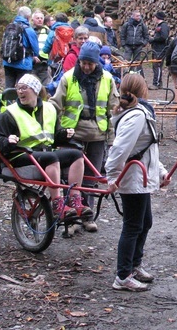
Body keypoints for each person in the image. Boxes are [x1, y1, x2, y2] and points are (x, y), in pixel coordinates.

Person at [0, 74, 93, 220]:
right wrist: (8, 140)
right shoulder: (10, 113)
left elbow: (54, 136)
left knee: (77, 154)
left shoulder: (50, 109)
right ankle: (57, 203)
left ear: (36, 90)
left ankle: (75, 199)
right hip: (19, 155)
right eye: (18, 88)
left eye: (24, 88)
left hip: (43, 154)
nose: (20, 92)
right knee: (51, 157)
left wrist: (64, 134)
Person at [105, 73, 171, 292]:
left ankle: (134, 264)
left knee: (145, 222)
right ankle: (123, 276)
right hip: (132, 178)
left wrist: (160, 172)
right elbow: (120, 149)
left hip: (140, 177)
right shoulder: (137, 115)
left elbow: (148, 149)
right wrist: (112, 177)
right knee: (133, 225)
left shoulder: (142, 113)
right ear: (143, 90)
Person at [50, 41, 119, 232]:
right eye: (83, 63)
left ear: (96, 62)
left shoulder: (107, 79)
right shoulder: (68, 78)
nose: (86, 67)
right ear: (79, 61)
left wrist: (113, 139)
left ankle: (86, 216)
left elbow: (113, 110)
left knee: (91, 177)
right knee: (70, 178)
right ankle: (70, 219)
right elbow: (55, 105)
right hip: (73, 133)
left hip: (97, 133)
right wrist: (52, 132)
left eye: (90, 63)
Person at [2, 6, 40, 89]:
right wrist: (34, 56)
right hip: (23, 64)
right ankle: (19, 102)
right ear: (28, 17)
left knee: (8, 88)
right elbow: (36, 50)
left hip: (7, 62)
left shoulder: (9, 27)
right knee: (22, 89)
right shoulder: (29, 30)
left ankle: (7, 101)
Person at [148, 11, 170, 90]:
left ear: (157, 18)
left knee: (157, 66)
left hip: (160, 49)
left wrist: (153, 39)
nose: (153, 19)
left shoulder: (163, 26)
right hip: (157, 48)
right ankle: (158, 82)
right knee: (156, 66)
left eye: (154, 17)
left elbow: (163, 37)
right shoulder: (160, 26)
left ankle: (156, 83)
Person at [31, 10, 51, 85]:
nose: (40, 20)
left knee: (45, 86)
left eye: (41, 18)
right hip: (32, 64)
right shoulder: (29, 31)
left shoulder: (48, 31)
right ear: (33, 20)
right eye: (37, 18)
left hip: (44, 64)